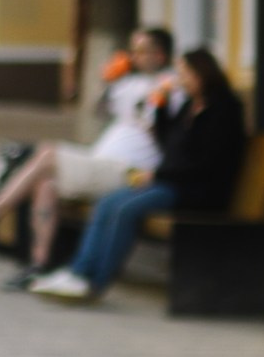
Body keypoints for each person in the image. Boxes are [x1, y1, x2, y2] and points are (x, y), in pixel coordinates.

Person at [0, 25, 177, 289]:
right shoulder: (132, 82)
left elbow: (158, 126)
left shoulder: (169, 85)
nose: (133, 56)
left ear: (159, 55)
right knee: (46, 184)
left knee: (48, 154)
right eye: (132, 50)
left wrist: (155, 100)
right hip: (99, 165)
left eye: (141, 51)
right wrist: (109, 82)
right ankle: (38, 264)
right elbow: (100, 112)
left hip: (128, 171)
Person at [31, 44, 247, 302]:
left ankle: (95, 283)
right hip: (173, 184)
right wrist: (161, 108)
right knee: (107, 202)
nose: (180, 81)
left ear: (202, 74)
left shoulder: (224, 111)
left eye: (184, 75)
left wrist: (157, 175)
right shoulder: (190, 106)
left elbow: (207, 163)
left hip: (198, 190)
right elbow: (170, 145)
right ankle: (79, 272)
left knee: (124, 209)